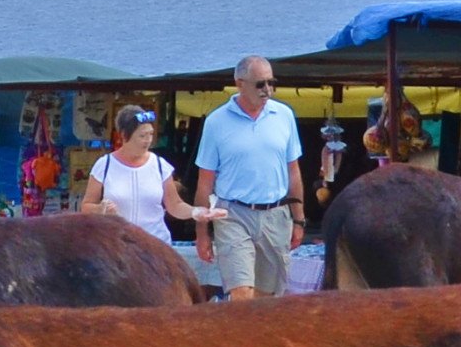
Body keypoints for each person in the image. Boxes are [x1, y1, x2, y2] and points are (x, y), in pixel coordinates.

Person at [195, 56, 309, 297]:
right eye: (260, 84)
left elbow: (293, 171)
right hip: (232, 213)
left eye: (271, 82)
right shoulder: (216, 121)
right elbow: (205, 181)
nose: (267, 90)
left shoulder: (284, 115)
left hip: (276, 214)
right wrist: (202, 233)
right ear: (240, 83)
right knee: (241, 294)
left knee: (267, 299)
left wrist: (299, 219)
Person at [87, 104, 215, 255]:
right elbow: (87, 205)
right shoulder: (104, 165)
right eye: (142, 136)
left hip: (155, 245)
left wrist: (196, 212)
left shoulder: (160, 165)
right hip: (117, 246)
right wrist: (101, 209)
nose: (148, 140)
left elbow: (174, 205)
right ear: (123, 135)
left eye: (150, 134)